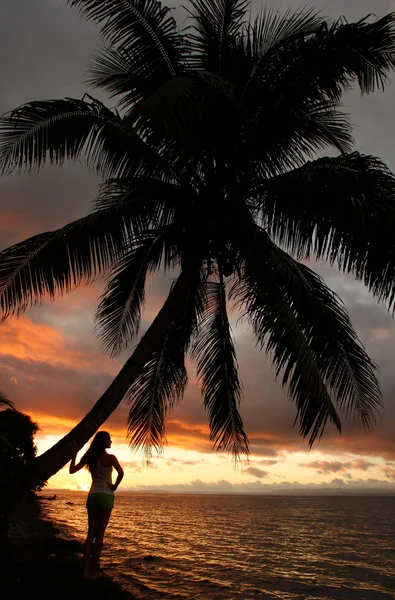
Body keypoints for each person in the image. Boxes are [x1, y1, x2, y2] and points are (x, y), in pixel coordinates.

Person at [69, 431, 124, 580]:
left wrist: (74, 454)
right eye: (109, 440)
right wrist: (114, 487)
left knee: (90, 534)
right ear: (104, 442)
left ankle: (85, 572)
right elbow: (121, 473)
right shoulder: (110, 458)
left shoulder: (90, 457)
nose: (111, 442)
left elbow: (71, 470)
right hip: (105, 495)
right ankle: (93, 572)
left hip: (92, 495)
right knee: (99, 536)